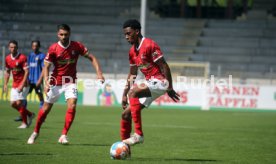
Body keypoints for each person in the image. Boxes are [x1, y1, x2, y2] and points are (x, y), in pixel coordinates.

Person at [27, 24, 105, 144]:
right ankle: (35, 132)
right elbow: (46, 66)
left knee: (72, 104)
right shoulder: (53, 48)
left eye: (66, 34)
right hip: (55, 82)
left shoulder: (77, 46)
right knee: (46, 109)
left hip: (70, 81)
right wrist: (47, 82)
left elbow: (92, 58)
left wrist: (99, 73)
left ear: (69, 34)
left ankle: (63, 135)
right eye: (61, 34)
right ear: (58, 34)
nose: (63, 37)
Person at [120, 19, 180, 146]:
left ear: (137, 31)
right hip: (149, 83)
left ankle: (139, 135)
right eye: (125, 34)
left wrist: (169, 87)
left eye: (128, 33)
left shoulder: (149, 45)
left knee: (134, 92)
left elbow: (164, 66)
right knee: (125, 115)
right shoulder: (132, 52)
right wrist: (124, 94)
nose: (126, 37)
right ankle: (125, 149)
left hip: (160, 81)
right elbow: (132, 74)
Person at [4, 40, 35, 129]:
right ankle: (30, 114)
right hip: (15, 84)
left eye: (14, 47)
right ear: (9, 48)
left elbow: (26, 72)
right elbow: (7, 72)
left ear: (17, 48)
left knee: (19, 103)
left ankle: (25, 123)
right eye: (11, 47)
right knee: (13, 104)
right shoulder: (7, 58)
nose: (13, 49)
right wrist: (5, 84)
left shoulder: (22, 57)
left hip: (24, 84)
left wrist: (22, 84)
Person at [14, 40, 45, 122]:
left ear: (39, 46)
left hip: (37, 81)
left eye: (36, 46)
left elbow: (44, 69)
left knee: (40, 97)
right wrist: (25, 79)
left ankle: (42, 116)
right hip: (29, 81)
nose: (35, 47)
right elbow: (26, 69)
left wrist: (40, 80)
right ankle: (23, 114)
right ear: (31, 47)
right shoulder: (29, 56)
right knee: (23, 97)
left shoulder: (42, 56)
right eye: (33, 46)